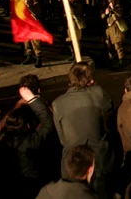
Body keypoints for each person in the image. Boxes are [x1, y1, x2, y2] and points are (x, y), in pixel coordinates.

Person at [52, 62, 114, 198]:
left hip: (72, 159)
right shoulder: (97, 92)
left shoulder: (58, 103)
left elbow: (62, 138)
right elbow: (109, 106)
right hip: (99, 157)